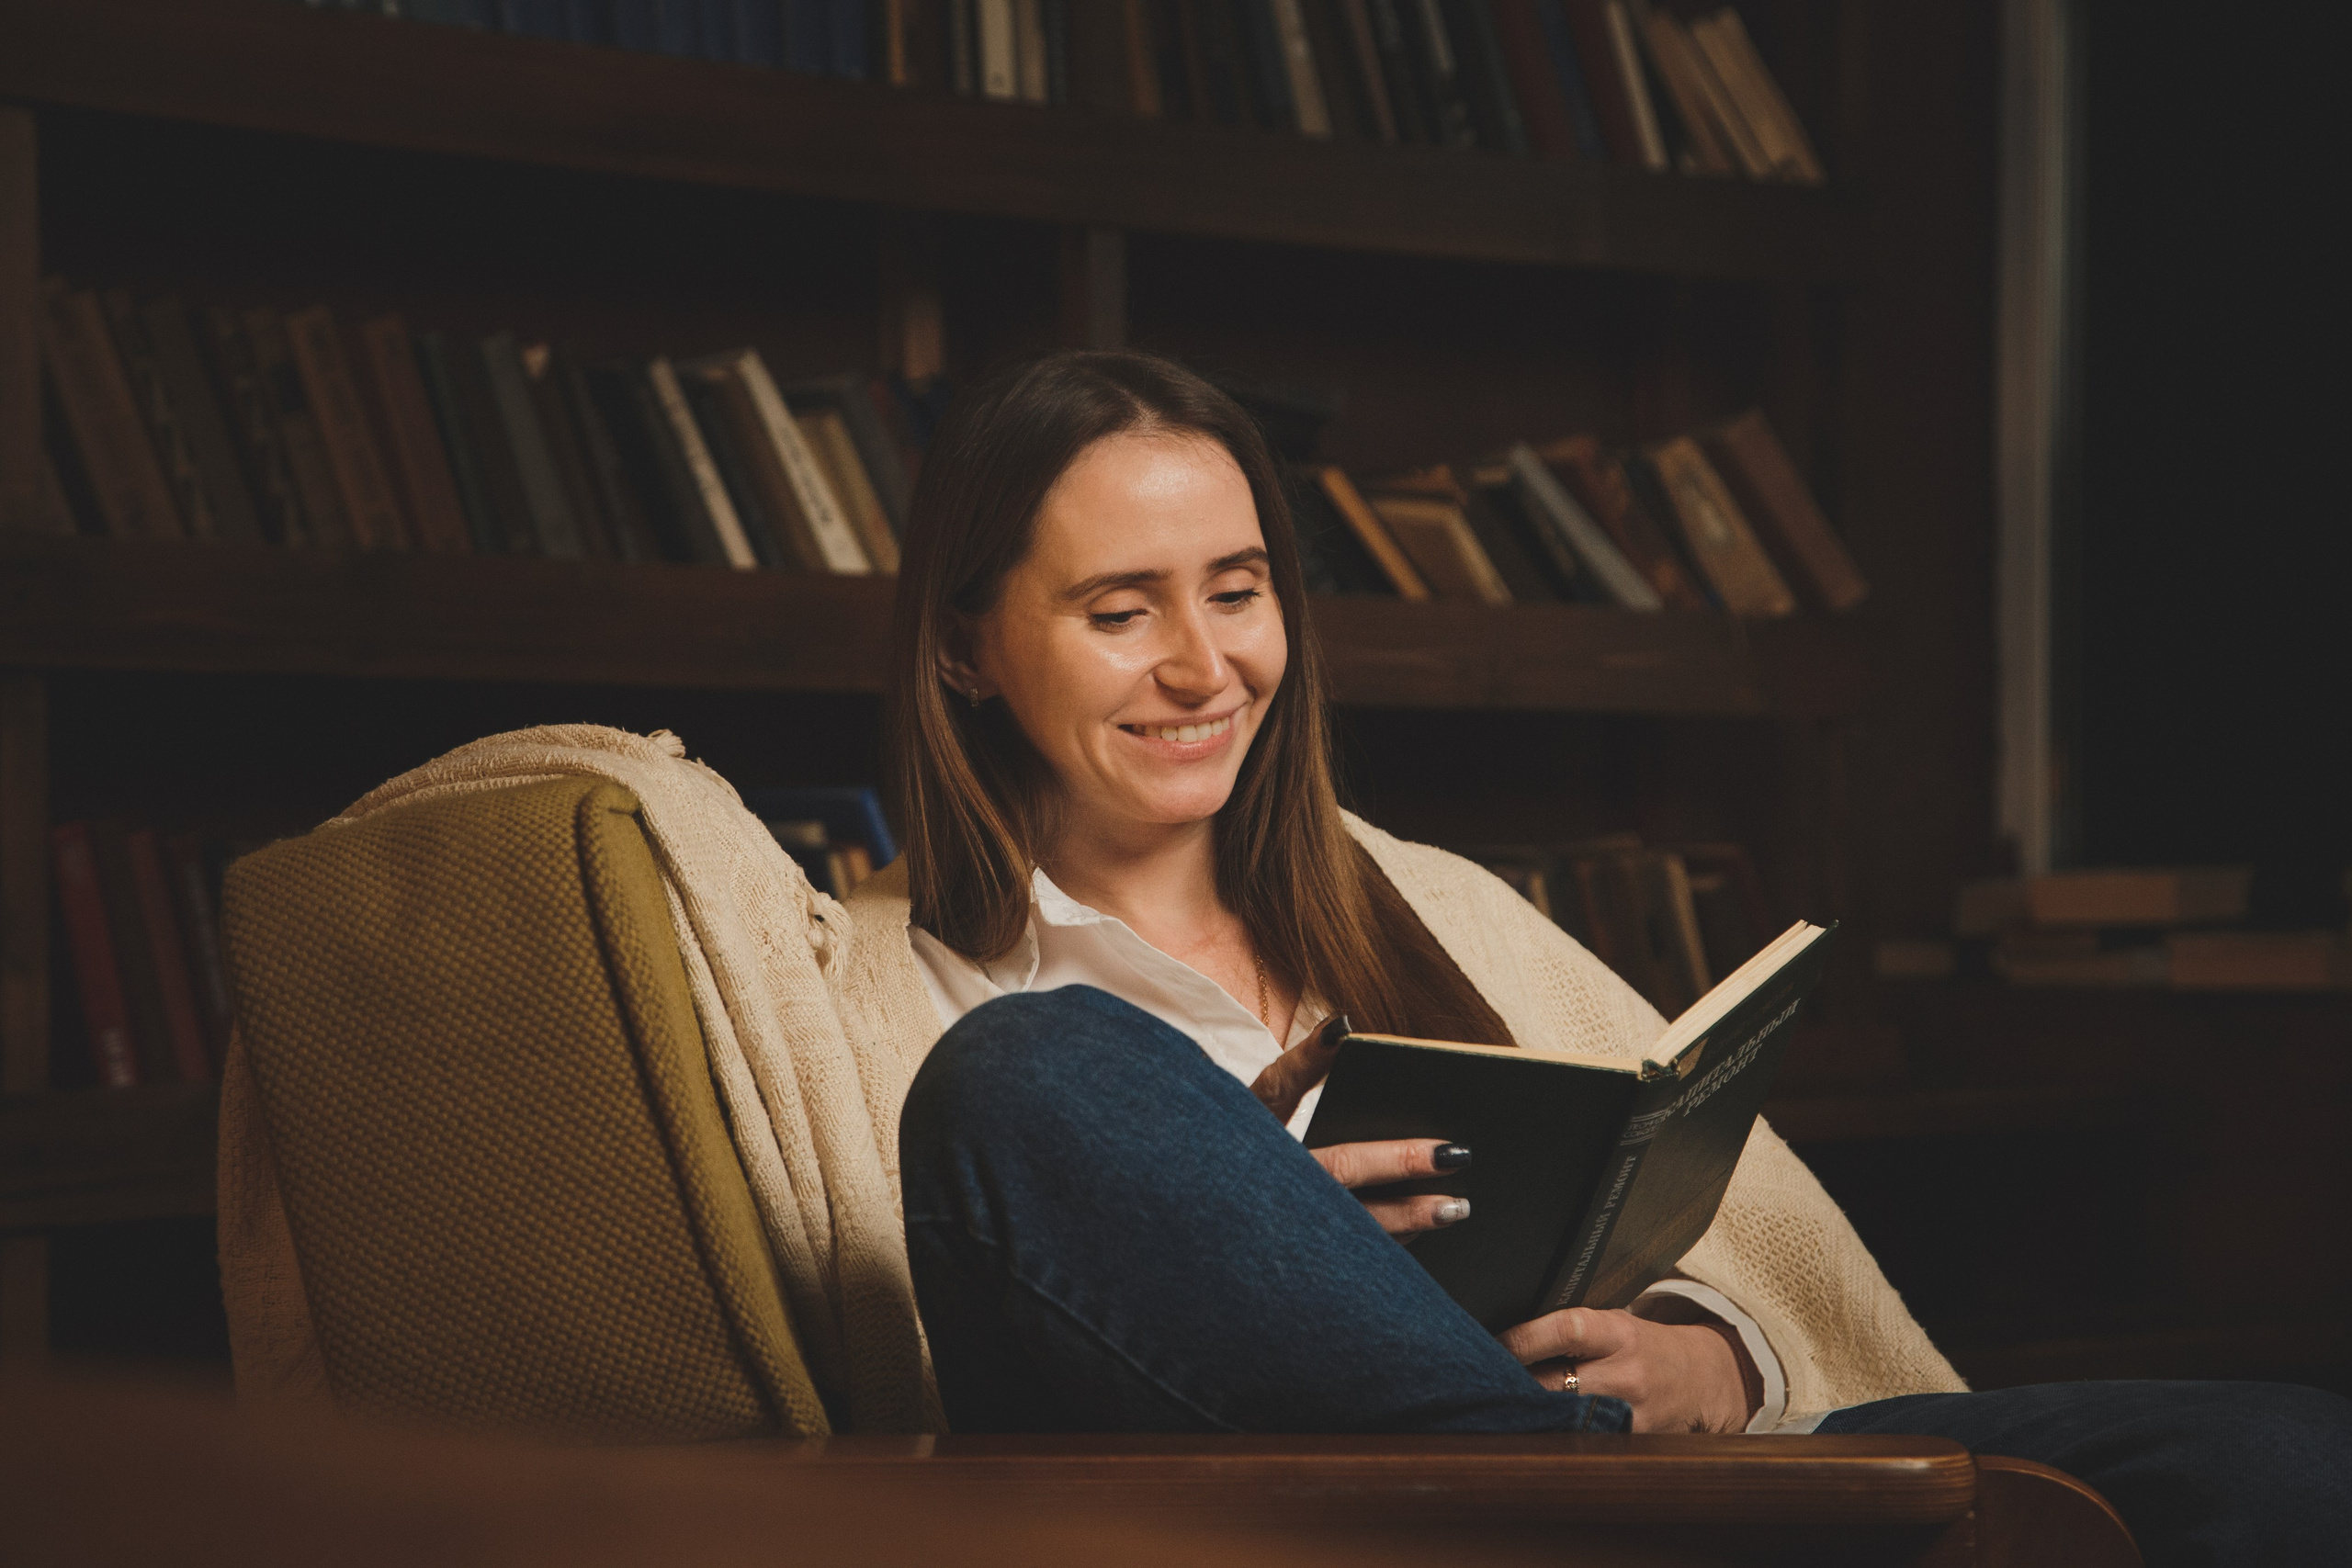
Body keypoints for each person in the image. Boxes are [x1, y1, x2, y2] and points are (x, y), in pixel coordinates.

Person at [850, 348, 2351, 1565]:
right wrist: (1247, 1234)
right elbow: (899, 1366)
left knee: (2285, 1454)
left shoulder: (1435, 906)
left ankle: (1614, 1512)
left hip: (1655, 1481)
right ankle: (1603, 1515)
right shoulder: (872, 980)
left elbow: (1747, 1250)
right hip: (1301, 1523)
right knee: (1035, 1071)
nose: (1204, 665)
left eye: (1238, 592)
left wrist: (1718, 1361)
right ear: (964, 650)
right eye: (1121, 611)